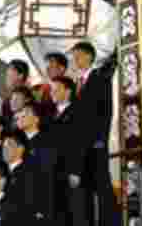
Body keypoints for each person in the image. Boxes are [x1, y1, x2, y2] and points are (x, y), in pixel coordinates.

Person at [70, 41, 118, 226]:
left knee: (102, 184)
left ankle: (111, 222)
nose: (75, 60)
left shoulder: (99, 78)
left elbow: (105, 111)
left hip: (96, 142)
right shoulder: (76, 83)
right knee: (86, 188)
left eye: (78, 56)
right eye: (74, 57)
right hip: (80, 145)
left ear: (89, 56)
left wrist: (101, 138)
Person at [49, 75, 86, 226]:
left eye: (56, 89)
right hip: (54, 171)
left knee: (74, 213)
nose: (52, 93)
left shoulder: (78, 112)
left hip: (70, 171)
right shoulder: (52, 115)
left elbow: (79, 143)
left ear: (68, 91)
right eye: (51, 90)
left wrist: (76, 170)